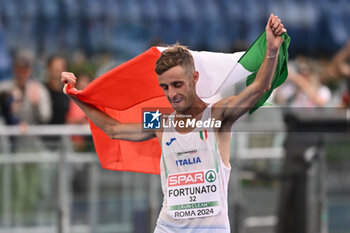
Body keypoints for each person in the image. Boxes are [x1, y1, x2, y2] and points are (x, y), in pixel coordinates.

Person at [61, 14, 286, 233]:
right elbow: (114, 129)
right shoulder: (161, 121)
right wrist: (75, 97)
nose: (172, 94)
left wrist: (272, 50)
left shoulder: (217, 115)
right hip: (168, 227)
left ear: (194, 78)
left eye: (178, 84)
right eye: (165, 87)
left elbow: (259, 87)